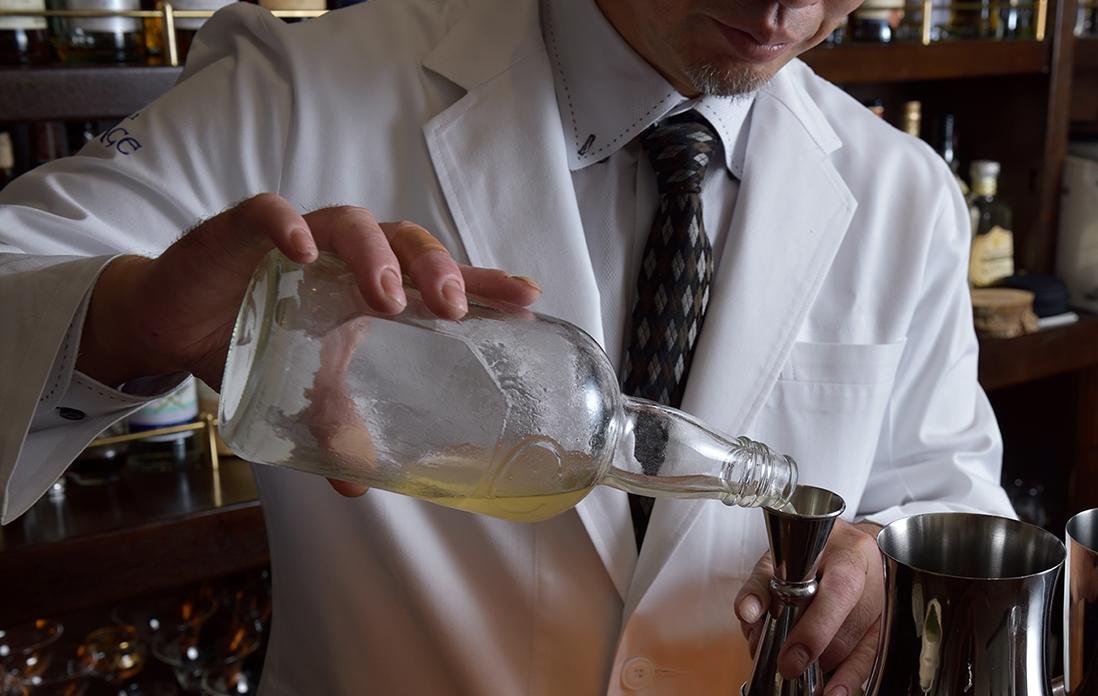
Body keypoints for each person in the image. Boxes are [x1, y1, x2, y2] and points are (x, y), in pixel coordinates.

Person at [0, 0, 1016, 693]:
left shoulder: (904, 192)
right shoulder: (297, 88)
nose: (786, 6)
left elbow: (951, 498)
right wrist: (132, 317)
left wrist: (885, 566)